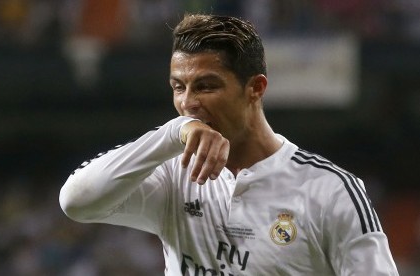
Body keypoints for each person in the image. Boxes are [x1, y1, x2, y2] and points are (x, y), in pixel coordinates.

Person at [59, 14, 398, 275]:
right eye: (179, 87)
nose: (188, 103)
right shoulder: (173, 176)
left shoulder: (332, 191)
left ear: (256, 88)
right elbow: (77, 201)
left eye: (206, 86)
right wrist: (175, 131)